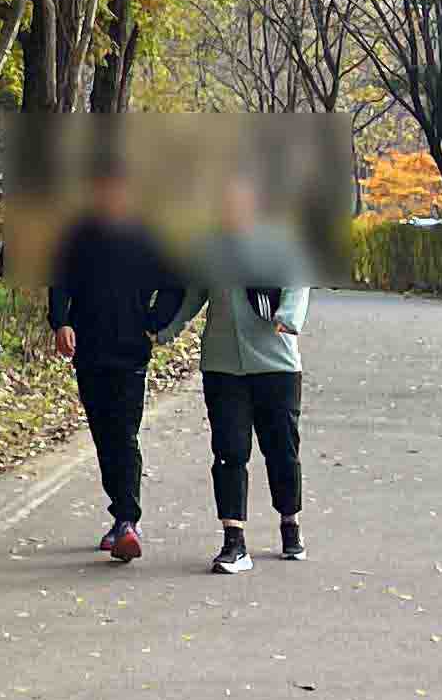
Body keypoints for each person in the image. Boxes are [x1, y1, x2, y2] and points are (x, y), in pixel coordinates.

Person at [46, 155, 193, 562]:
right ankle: (120, 515)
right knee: (103, 436)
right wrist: (61, 322)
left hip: (130, 350)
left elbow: (176, 284)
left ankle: (128, 519)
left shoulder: (148, 236)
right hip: (89, 349)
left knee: (124, 433)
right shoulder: (78, 235)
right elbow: (60, 282)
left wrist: (155, 323)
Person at [194, 168, 311, 573]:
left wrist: (288, 317)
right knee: (228, 451)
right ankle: (234, 542)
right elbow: (192, 294)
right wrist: (160, 329)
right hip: (222, 364)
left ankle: (290, 523)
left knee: (281, 450)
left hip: (275, 363)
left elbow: (297, 284)